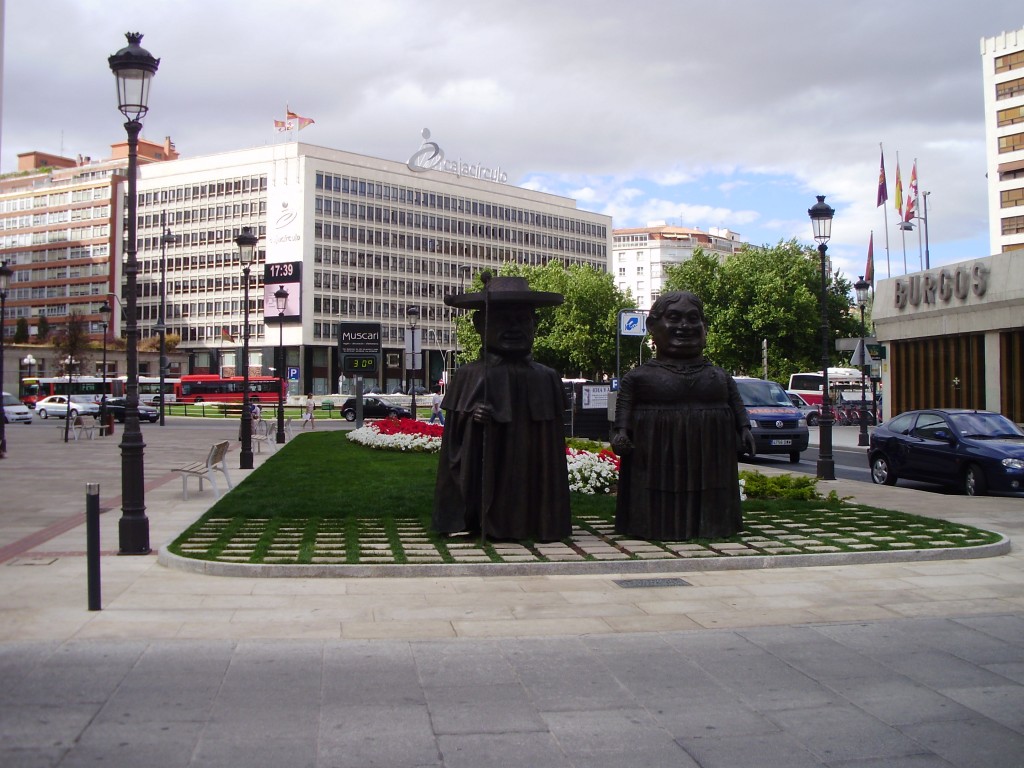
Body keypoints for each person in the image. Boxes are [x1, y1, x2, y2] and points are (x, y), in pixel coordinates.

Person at [433, 275, 571, 543]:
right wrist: (473, 420)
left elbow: (551, 447)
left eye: (522, 320)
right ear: (479, 325)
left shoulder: (546, 376)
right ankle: (479, 520)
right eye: (501, 320)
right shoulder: (469, 375)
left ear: (535, 324)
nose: (513, 328)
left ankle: (540, 520)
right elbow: (455, 445)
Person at [611, 291, 750, 541]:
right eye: (673, 318)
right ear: (652, 326)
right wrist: (621, 433)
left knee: (710, 491)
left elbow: (736, 403)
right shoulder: (639, 377)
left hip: (709, 457)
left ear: (704, 327)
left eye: (693, 318)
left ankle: (712, 524)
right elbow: (624, 410)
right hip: (655, 456)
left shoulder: (718, 375)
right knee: (657, 491)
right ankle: (654, 525)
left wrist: (745, 428)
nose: (684, 326)